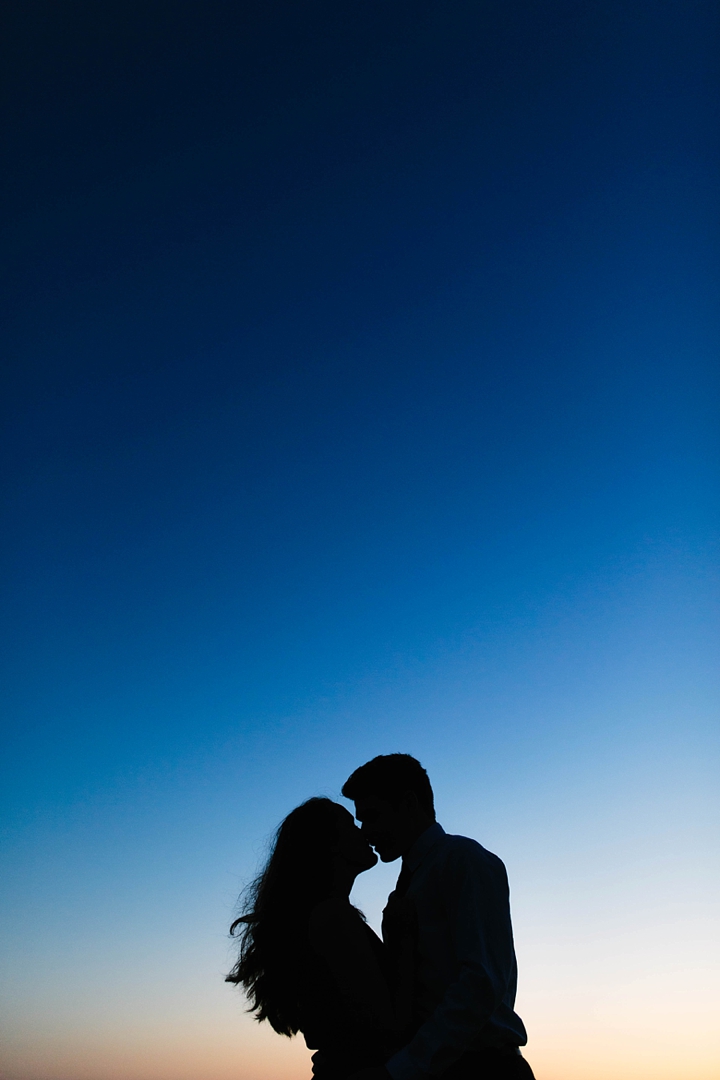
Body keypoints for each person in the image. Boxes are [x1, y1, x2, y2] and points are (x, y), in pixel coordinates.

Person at [341, 754, 535, 1080]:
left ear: (408, 803)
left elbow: (481, 981)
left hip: (483, 1069)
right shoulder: (411, 882)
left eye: (372, 817)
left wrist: (401, 1070)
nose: (366, 832)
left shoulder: (464, 861)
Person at [226, 797, 414, 1080]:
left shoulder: (322, 915)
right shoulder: (332, 917)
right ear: (329, 844)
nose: (364, 831)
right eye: (351, 825)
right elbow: (384, 1024)